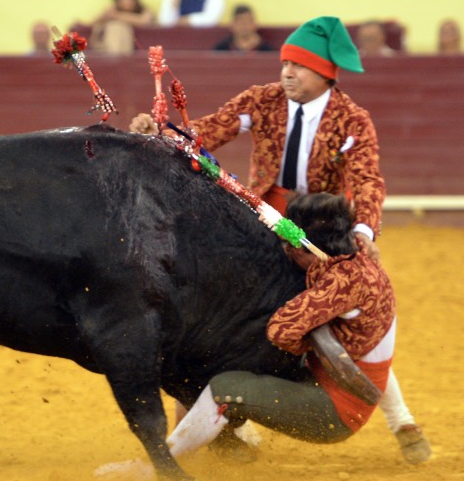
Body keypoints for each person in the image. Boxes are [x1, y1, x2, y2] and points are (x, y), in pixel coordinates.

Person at [130, 16, 431, 463]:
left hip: (325, 238)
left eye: (299, 66)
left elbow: (367, 179)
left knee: (362, 319)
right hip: (263, 226)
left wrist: (364, 232)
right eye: (285, 63)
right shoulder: (264, 99)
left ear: (326, 73)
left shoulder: (352, 119)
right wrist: (164, 134)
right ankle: (213, 424)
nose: (287, 73)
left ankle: (401, 418)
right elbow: (210, 130)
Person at [166, 193, 400, 458]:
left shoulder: (342, 282)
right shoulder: (357, 250)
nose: (286, 252)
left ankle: (164, 465)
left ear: (310, 249)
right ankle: (229, 447)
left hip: (337, 409)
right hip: (332, 383)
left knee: (224, 388)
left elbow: (281, 330)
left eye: (291, 248)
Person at [88, 0, 155, 55]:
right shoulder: (111, 11)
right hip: (110, 55)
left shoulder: (144, 10)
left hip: (137, 57)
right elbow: (91, 25)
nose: (127, 0)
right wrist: (104, 17)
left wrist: (117, 15)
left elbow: (145, 21)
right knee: (115, 26)